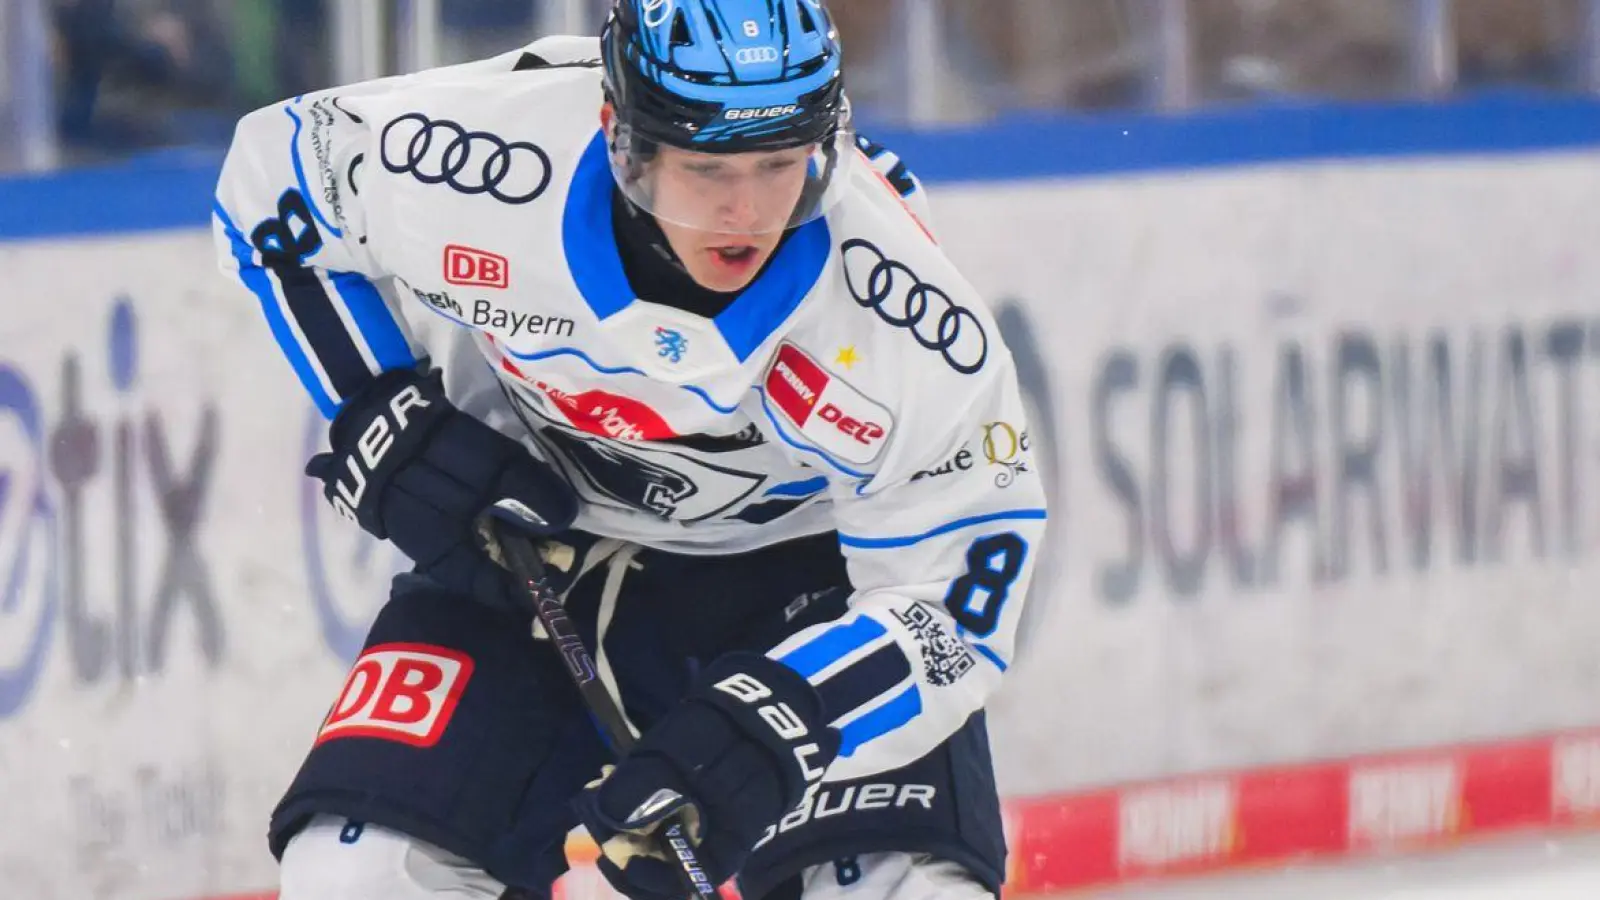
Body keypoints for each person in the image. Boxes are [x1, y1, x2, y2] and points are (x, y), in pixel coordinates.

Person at [211, 1, 1046, 898]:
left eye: (779, 165)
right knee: (355, 873)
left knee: (903, 890)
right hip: (532, 546)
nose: (748, 212)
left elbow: (959, 593)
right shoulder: (483, 157)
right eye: (706, 168)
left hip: (805, 583)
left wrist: (784, 719)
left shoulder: (901, 312)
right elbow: (277, 173)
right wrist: (383, 410)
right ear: (621, 134)